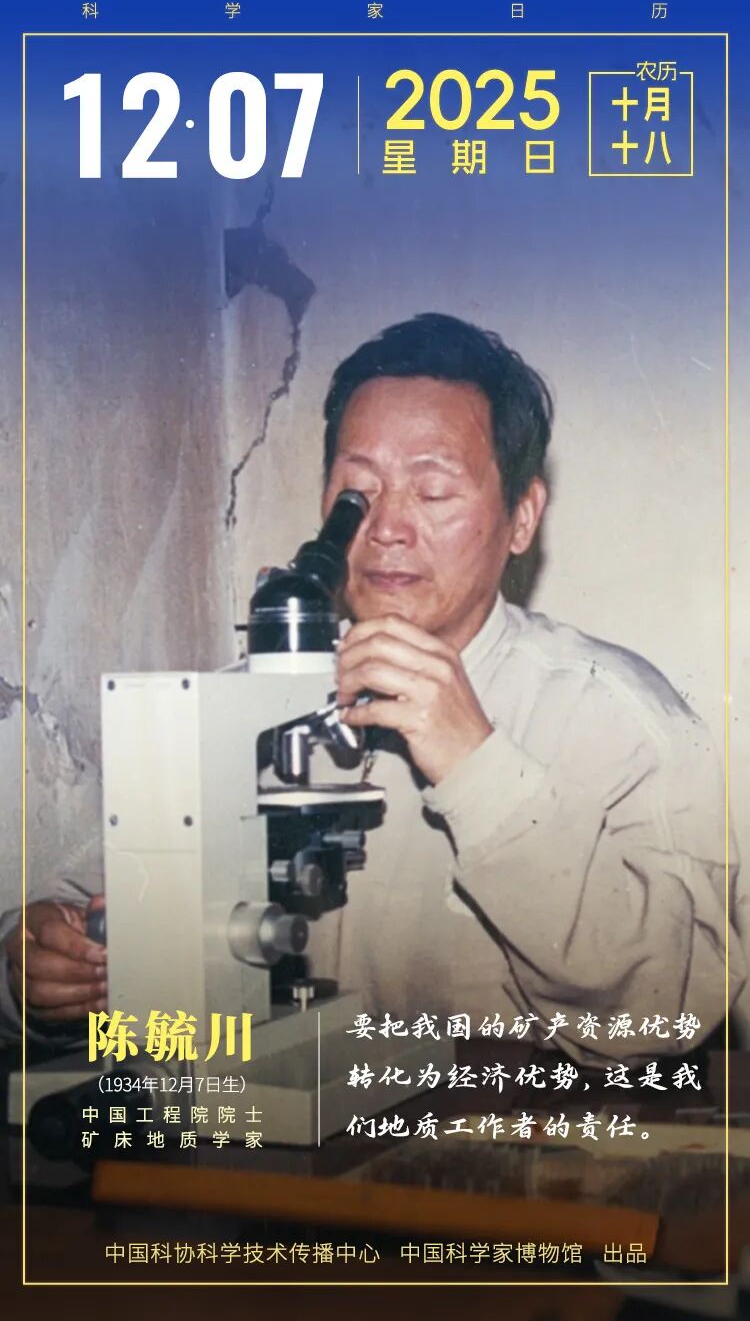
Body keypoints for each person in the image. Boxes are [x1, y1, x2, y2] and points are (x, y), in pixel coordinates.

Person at [2, 312, 743, 1063]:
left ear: (522, 517)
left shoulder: (617, 721)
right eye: (358, 491)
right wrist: (35, 973)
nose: (387, 528)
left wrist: (478, 766)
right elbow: (77, 913)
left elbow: (675, 1008)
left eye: (433, 491)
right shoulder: (232, 711)